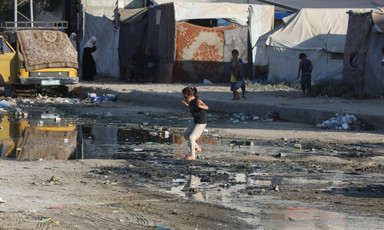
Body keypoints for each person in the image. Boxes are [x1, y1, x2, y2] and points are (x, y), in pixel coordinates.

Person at [181, 87, 209, 160]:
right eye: (184, 97)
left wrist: (200, 105)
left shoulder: (198, 100)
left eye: (186, 97)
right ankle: (197, 148)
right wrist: (186, 105)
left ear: (190, 95)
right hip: (196, 122)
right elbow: (191, 107)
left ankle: (192, 156)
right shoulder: (191, 102)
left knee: (191, 137)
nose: (185, 99)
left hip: (201, 122)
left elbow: (206, 107)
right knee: (186, 135)